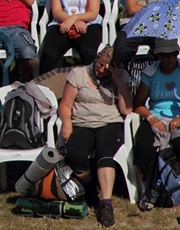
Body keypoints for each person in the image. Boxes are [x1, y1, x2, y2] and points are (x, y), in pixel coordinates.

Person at [58, 46, 133, 228]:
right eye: (100, 65)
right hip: (82, 122)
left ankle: (106, 204)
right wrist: (67, 122)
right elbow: (66, 104)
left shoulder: (121, 76)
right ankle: (90, 186)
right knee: (75, 155)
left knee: (105, 154)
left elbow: (127, 110)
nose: (101, 70)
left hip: (110, 123)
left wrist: (118, 81)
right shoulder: (79, 74)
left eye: (107, 68)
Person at [133, 38, 180, 210]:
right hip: (156, 115)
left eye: (174, 54)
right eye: (166, 55)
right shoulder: (150, 72)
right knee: (142, 146)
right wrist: (151, 118)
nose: (171, 59)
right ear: (158, 55)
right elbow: (138, 103)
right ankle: (146, 187)